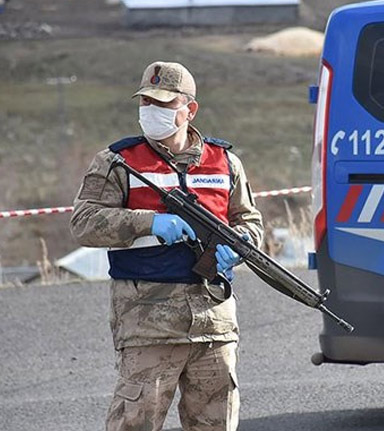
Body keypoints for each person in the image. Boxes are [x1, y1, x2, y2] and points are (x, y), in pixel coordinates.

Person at [70, 61, 264, 431]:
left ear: (189, 110)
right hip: (148, 323)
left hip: (214, 322)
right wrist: (149, 222)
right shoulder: (118, 163)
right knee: (134, 424)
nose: (151, 112)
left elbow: (250, 222)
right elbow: (83, 223)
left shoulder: (225, 162)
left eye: (162, 104)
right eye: (146, 103)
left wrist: (240, 245)